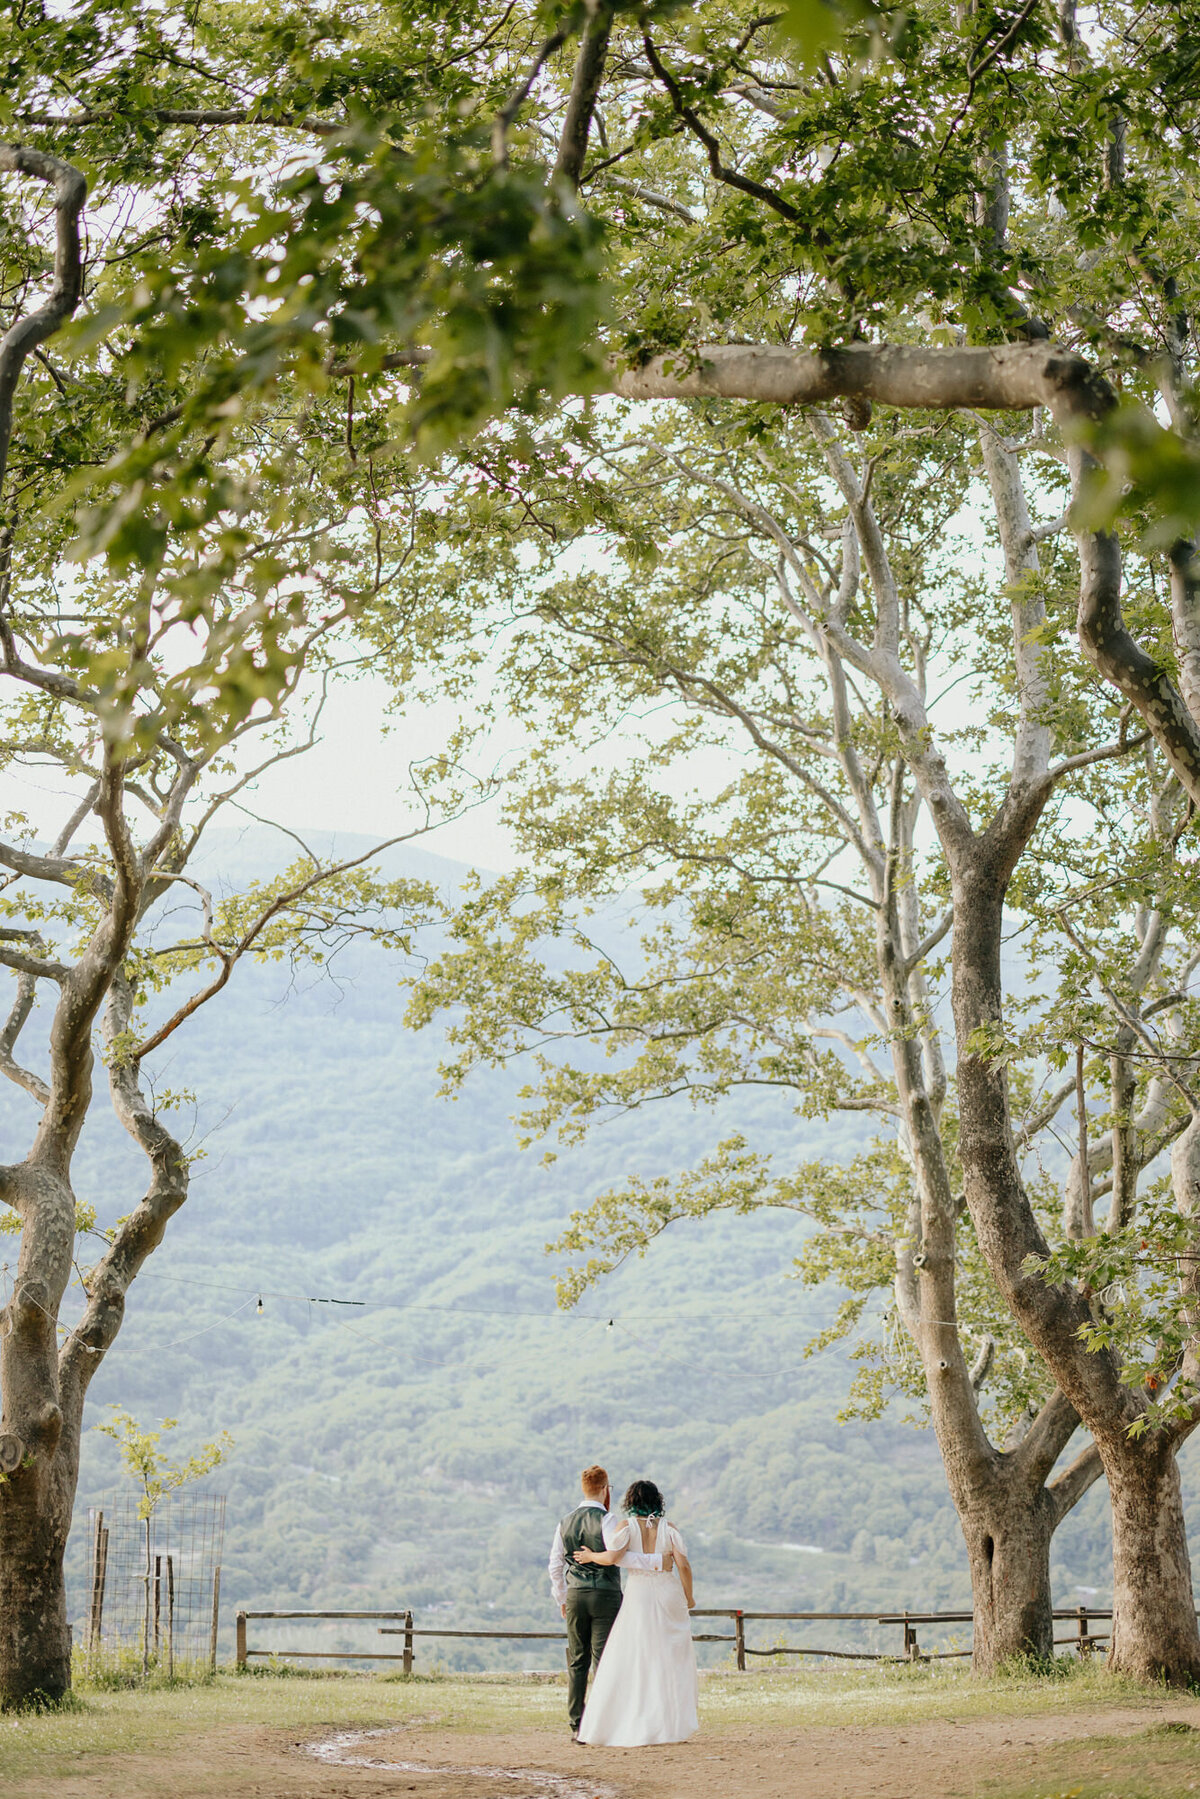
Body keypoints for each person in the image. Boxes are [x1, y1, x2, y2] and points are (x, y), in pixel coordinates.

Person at [572, 1478, 699, 1747]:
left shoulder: (625, 1527)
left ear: (631, 1501)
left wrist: (591, 1556)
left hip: (639, 1593)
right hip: (668, 1591)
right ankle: (668, 1723)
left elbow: (612, 1558)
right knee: (669, 1657)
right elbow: (684, 1566)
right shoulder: (670, 1528)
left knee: (634, 1655)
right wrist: (689, 1596)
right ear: (658, 1501)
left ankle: (627, 1719)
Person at [548, 1463, 667, 1741]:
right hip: (605, 1594)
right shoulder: (608, 1521)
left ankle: (577, 1723)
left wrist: (561, 1597)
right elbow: (618, 1556)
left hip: (576, 1595)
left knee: (577, 1661)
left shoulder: (564, 1521)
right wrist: (657, 1562)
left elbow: (555, 1564)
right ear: (604, 1489)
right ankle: (605, 1723)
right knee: (605, 1659)